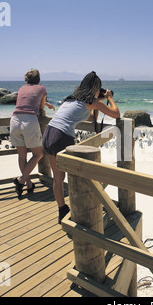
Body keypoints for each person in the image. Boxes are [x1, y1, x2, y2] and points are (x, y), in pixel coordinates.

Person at [42, 71, 120, 224]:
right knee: (76, 176)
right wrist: (109, 97)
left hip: (48, 134)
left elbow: (91, 118)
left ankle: (62, 209)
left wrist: (98, 101)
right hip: (61, 137)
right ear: (95, 87)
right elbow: (116, 114)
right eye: (100, 88)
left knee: (58, 178)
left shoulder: (70, 99)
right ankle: (81, 210)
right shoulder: (92, 101)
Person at [10, 69, 55, 198]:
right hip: (29, 122)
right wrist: (44, 104)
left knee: (22, 156)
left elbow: (26, 103)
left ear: (26, 79)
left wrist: (43, 103)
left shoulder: (22, 88)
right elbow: (40, 109)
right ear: (38, 79)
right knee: (38, 154)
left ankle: (28, 184)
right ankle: (22, 180)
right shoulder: (41, 88)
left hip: (15, 120)